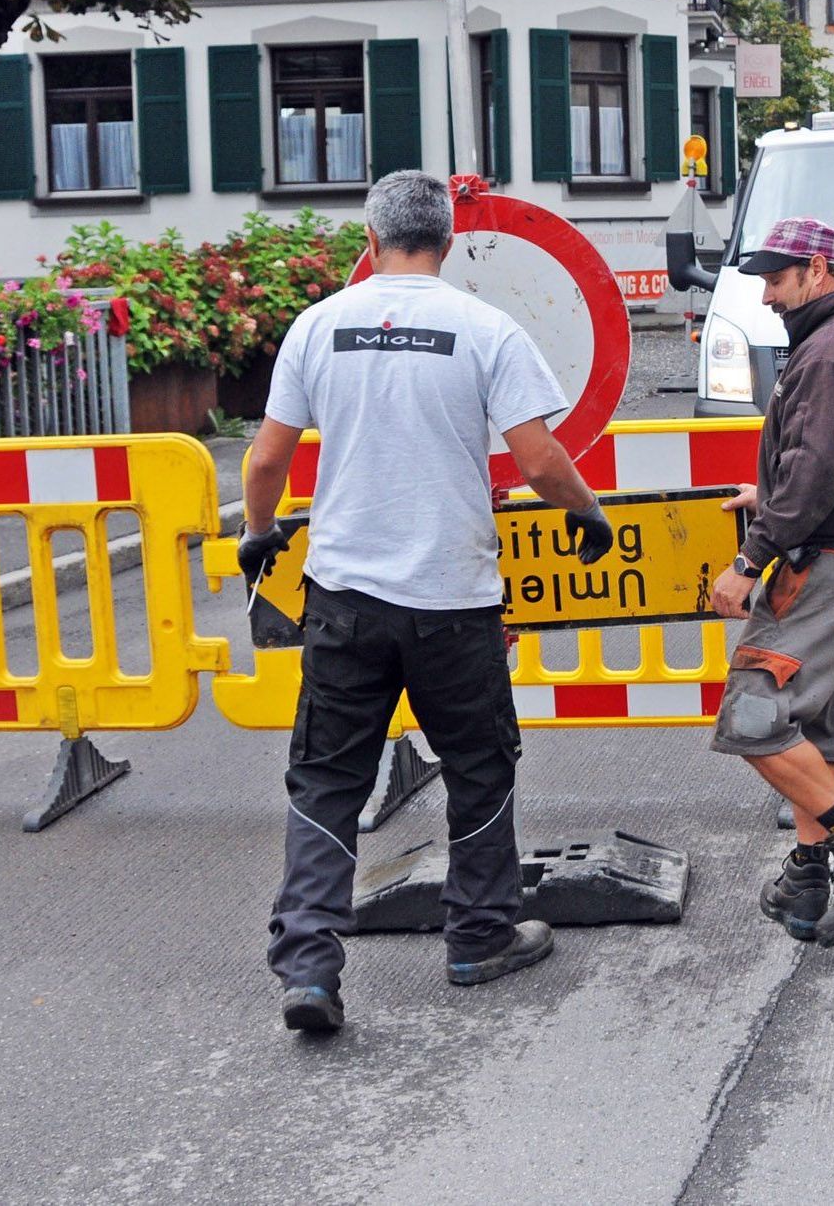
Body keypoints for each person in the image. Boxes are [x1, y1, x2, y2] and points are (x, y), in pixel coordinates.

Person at [237, 171, 614, 1034]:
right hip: (453, 599)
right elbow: (539, 459)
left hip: (344, 598)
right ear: (449, 243)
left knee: (329, 776)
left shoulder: (318, 325)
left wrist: (260, 535)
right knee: (478, 765)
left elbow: (264, 461)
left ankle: (310, 968)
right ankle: (479, 936)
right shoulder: (484, 327)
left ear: (369, 242)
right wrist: (585, 515)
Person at [707, 217, 834, 947]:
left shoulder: (828, 353)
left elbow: (820, 472)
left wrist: (749, 559)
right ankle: (806, 876)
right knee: (817, 734)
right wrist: (771, 494)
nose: (767, 295)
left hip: (825, 571)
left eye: (776, 278)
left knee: (755, 718)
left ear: (819, 270)